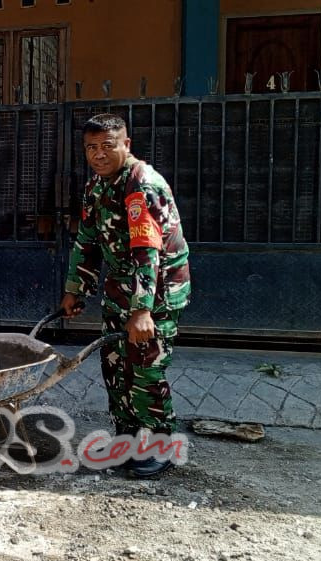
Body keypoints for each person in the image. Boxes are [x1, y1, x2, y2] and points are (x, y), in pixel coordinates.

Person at [60, 114, 191, 479]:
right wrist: (75, 288)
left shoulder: (141, 187)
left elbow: (147, 254)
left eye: (107, 146)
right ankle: (128, 440)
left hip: (157, 292)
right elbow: (86, 241)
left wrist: (142, 311)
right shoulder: (97, 187)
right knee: (116, 367)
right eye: (91, 147)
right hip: (121, 288)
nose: (99, 155)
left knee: (144, 368)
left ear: (126, 145)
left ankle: (160, 445)